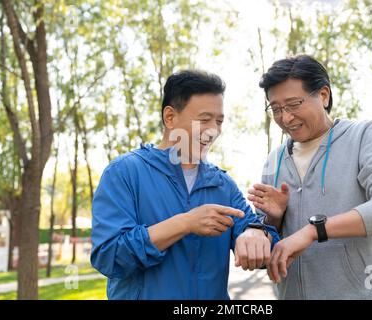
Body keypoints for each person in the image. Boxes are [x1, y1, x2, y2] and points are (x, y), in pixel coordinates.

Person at [91, 70, 279, 299]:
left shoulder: (223, 185)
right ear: (170, 117)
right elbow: (109, 257)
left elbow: (261, 247)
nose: (214, 130)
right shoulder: (124, 173)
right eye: (204, 119)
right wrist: (185, 223)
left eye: (219, 121)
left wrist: (258, 232)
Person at [247, 55, 372, 299]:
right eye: (276, 109)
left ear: (324, 95)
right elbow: (270, 243)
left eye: (294, 104)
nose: (285, 118)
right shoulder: (273, 160)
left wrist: (313, 230)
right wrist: (273, 220)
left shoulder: (365, 136)